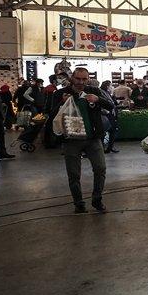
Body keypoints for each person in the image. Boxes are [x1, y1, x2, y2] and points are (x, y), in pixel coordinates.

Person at [51, 67, 110, 213]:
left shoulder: (94, 91)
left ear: (88, 78)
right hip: (71, 140)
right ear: (72, 78)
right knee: (74, 174)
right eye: (78, 79)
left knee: (100, 168)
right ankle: (78, 202)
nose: (81, 82)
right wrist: (61, 103)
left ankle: (97, 200)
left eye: (84, 79)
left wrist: (98, 99)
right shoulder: (60, 93)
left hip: (93, 138)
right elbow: (50, 113)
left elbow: (111, 105)